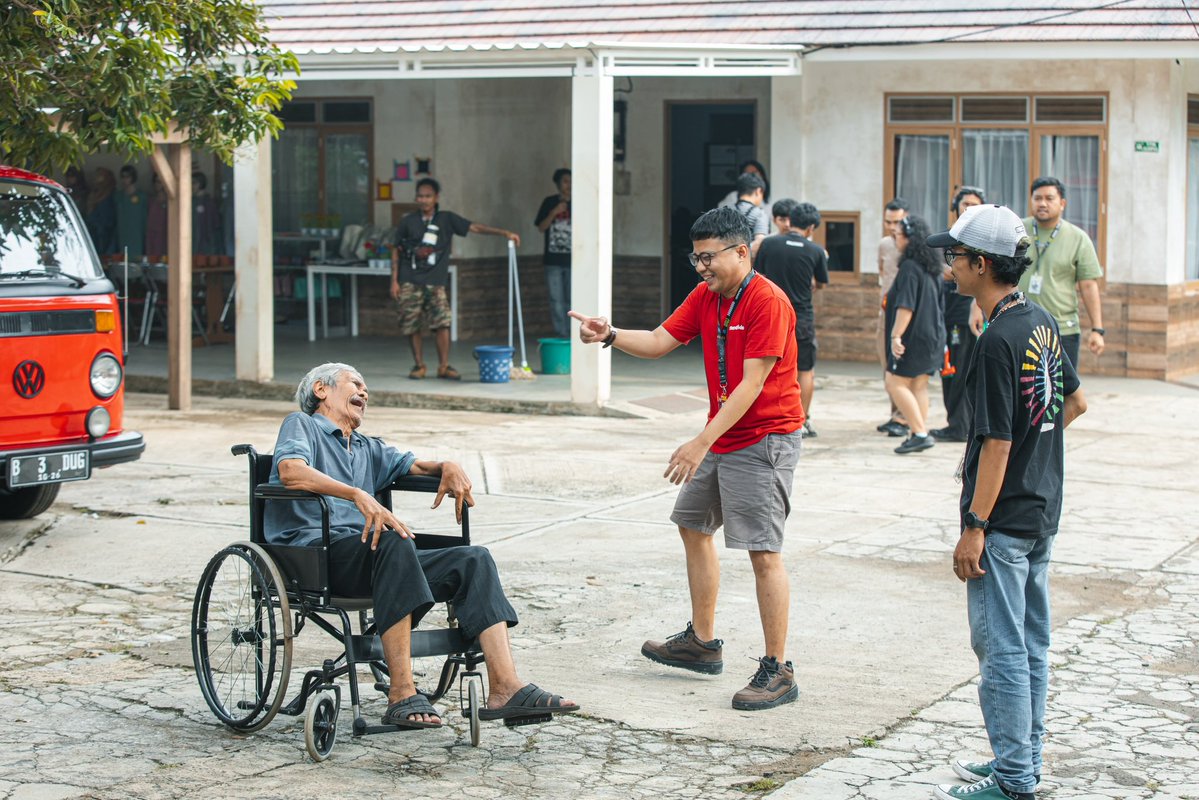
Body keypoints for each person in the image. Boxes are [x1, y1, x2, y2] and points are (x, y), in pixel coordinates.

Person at [569, 206, 804, 711]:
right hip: (724, 436)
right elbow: (658, 341)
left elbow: (751, 385)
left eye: (708, 258)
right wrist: (609, 335)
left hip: (764, 439)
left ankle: (778, 668)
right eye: (695, 260)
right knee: (693, 526)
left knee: (762, 552)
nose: (701, 269)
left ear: (740, 252)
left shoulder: (768, 301)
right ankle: (702, 643)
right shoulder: (707, 296)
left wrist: (700, 441)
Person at [266, 362, 580, 728]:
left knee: (474, 559)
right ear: (321, 389)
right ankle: (401, 691)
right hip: (317, 554)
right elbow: (290, 471)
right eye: (356, 383)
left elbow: (418, 467)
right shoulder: (301, 425)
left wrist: (448, 465)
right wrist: (356, 495)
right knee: (395, 538)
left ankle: (505, 687)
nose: (364, 393)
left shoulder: (367, 447)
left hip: (375, 555)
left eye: (366, 388)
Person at [928, 205, 1086, 800]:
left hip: (1004, 523)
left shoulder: (998, 340)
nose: (951, 264)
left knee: (1001, 651)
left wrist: (975, 525)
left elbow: (996, 442)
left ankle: (1016, 779)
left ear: (982, 264)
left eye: (957, 256)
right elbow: (1071, 404)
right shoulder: (1038, 320)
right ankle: (1019, 759)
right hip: (1042, 507)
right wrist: (1032, 456)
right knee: (1029, 645)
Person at [391, 178, 520, 380]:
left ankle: (444, 366)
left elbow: (474, 227)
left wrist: (504, 233)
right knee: (411, 324)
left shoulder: (446, 219)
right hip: (409, 280)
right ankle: (419, 365)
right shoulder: (408, 221)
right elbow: (395, 249)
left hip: (435, 281)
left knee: (443, 322)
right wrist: (394, 280)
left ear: (436, 198)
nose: (423, 200)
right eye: (420, 196)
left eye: (428, 196)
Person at [755, 202, 829, 437]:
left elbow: (757, 276)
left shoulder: (768, 244)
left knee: (765, 367)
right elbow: (820, 284)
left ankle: (764, 418)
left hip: (770, 315)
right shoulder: (816, 251)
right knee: (804, 370)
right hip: (801, 317)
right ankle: (802, 420)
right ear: (809, 227)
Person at [1017, 177, 1105, 368]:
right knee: (1020, 393)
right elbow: (994, 272)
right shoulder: (1017, 230)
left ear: (1062, 203)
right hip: (1019, 328)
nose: (1042, 203)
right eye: (1037, 198)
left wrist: (1097, 329)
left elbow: (1089, 285)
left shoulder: (1078, 238)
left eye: (1049, 198)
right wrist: (977, 307)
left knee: (1062, 394)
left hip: (1062, 330)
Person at [932, 186, 986, 443]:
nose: (969, 208)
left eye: (975, 204)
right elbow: (937, 268)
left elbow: (960, 273)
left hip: (965, 318)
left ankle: (960, 426)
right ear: (955, 208)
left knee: (961, 371)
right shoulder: (948, 238)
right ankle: (955, 422)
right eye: (965, 204)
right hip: (945, 313)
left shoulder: (982, 242)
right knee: (948, 371)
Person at [885, 214, 943, 455]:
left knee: (894, 382)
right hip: (932, 335)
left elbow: (905, 306)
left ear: (909, 239)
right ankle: (918, 431)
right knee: (919, 385)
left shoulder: (909, 267)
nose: (894, 239)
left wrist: (895, 336)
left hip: (913, 337)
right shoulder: (931, 267)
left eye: (897, 236)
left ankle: (919, 433)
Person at [877, 198, 909, 437]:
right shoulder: (885, 244)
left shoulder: (913, 247)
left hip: (906, 312)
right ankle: (894, 414)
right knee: (886, 363)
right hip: (884, 311)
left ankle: (903, 418)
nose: (892, 226)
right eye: (889, 222)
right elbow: (882, 272)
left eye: (897, 222)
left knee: (902, 366)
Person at [534, 168, 572, 338]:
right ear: (558, 184)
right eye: (565, 181)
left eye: (571, 181)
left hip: (575, 261)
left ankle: (575, 334)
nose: (569, 185)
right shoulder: (549, 202)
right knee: (556, 300)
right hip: (553, 260)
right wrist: (554, 212)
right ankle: (561, 333)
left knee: (573, 300)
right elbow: (541, 227)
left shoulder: (581, 202)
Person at [730, 172, 769, 256]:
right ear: (758, 191)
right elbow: (760, 242)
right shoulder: (759, 214)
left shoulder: (726, 211)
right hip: (746, 263)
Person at [114, 165, 147, 260]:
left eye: (128, 177)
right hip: (122, 234)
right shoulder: (118, 196)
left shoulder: (141, 197)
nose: (125, 180)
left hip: (137, 235)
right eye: (123, 177)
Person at [85, 168, 117, 257]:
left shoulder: (110, 194)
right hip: (93, 231)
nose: (96, 178)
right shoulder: (93, 193)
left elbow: (109, 218)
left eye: (99, 176)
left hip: (105, 234)